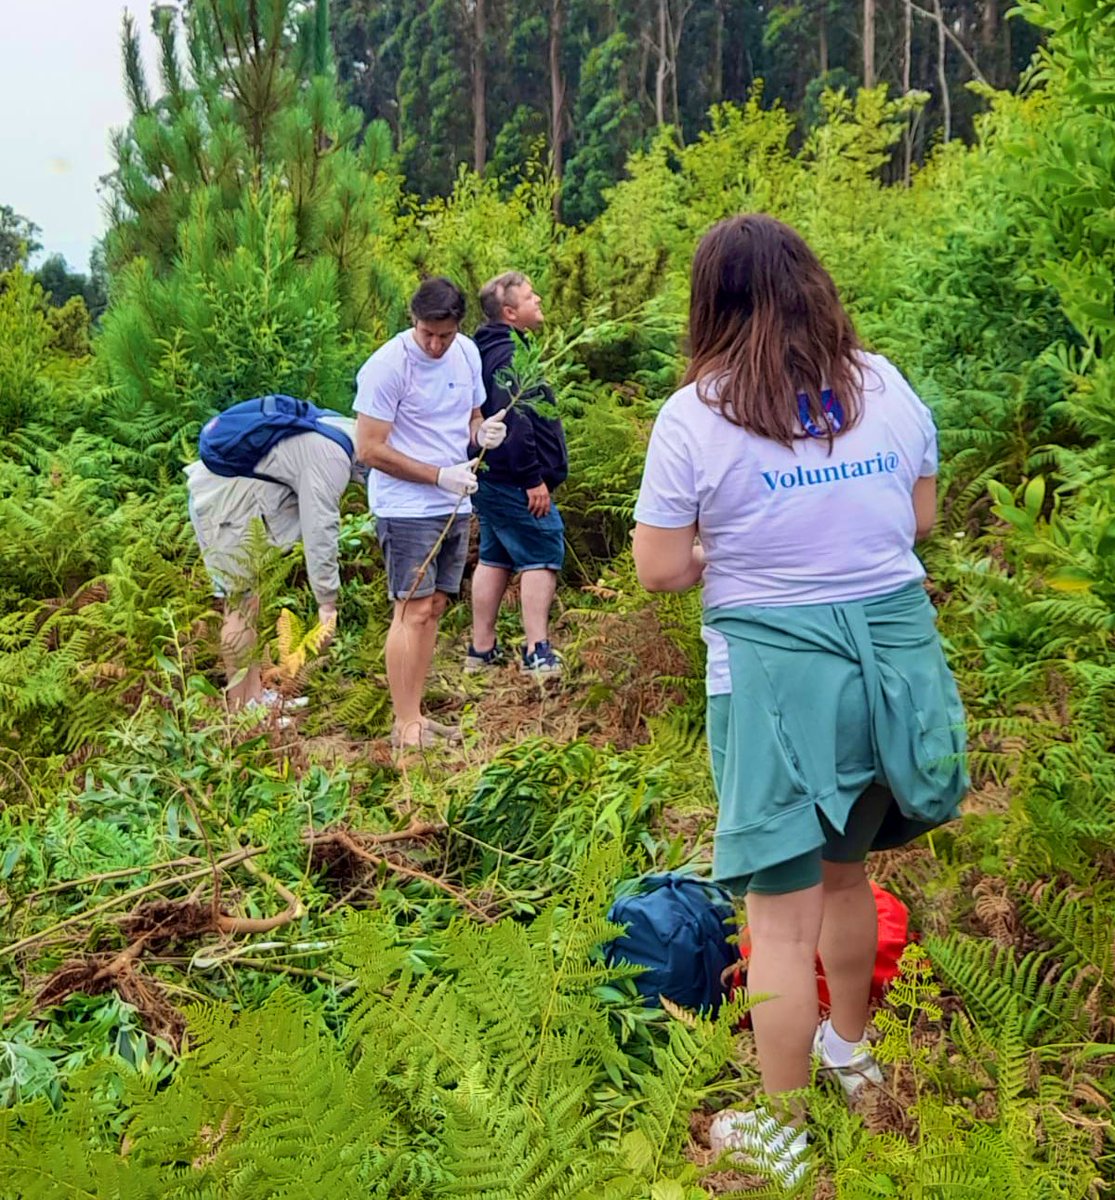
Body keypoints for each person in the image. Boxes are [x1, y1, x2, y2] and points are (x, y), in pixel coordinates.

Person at [632, 214, 968, 1187]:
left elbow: (657, 568)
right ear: (815, 287)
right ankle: (848, 1056)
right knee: (844, 876)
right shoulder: (883, 383)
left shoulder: (696, 415)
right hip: (890, 668)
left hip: (776, 679)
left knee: (774, 919)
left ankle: (780, 1136)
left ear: (709, 303)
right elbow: (917, 517)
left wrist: (733, 544)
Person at [354, 277, 507, 749]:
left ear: (459, 326)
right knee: (412, 608)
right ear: (413, 321)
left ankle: (416, 714)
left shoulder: (466, 354)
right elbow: (369, 449)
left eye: (444, 334)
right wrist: (437, 475)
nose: (436, 344)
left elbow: (471, 416)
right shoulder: (387, 366)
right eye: (427, 334)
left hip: (455, 500)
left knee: (435, 607)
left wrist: (482, 435)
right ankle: (405, 725)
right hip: (405, 506)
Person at [186, 402, 362, 714]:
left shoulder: (344, 427)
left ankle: (255, 697)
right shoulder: (333, 457)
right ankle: (243, 710)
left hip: (236, 499)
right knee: (240, 607)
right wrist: (327, 604)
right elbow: (320, 529)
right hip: (222, 505)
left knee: (250, 603)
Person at [465, 272, 568, 677]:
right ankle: (537, 652)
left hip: (492, 476)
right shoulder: (507, 353)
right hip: (512, 478)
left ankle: (481, 651)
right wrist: (532, 479)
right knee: (542, 548)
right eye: (529, 296)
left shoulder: (489, 349)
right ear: (510, 312)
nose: (538, 298)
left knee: (495, 556)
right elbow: (515, 418)